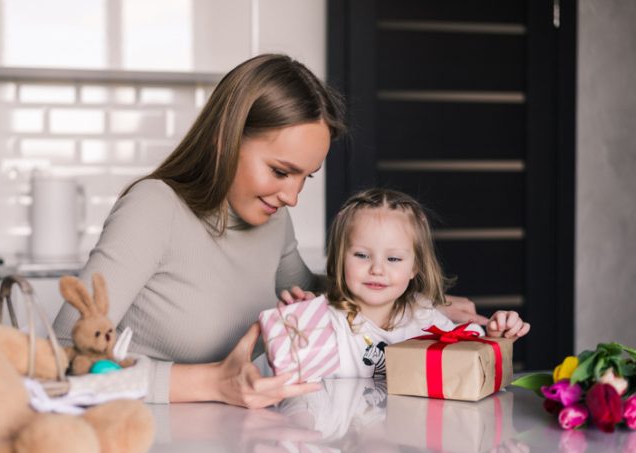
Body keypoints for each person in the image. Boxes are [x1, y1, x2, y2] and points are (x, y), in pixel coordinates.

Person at [52, 54, 487, 408]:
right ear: (226, 139)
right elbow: (62, 358)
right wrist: (212, 383)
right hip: (145, 440)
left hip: (240, 439)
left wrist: (418, 308)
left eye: (305, 178)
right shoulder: (154, 207)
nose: (292, 196)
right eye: (281, 171)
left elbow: (318, 295)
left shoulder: (273, 219)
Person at [320, 188, 530, 378]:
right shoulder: (326, 323)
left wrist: (495, 338)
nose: (377, 269)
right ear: (340, 258)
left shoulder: (423, 316)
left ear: (415, 267)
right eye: (362, 255)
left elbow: (466, 366)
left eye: (393, 259)